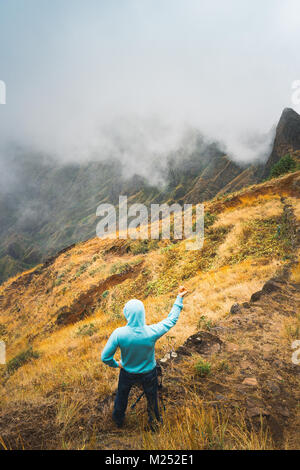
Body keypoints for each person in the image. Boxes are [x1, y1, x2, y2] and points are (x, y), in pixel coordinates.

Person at [101, 286, 188, 430]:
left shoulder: (119, 334)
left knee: (122, 396)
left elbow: (105, 357)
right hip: (149, 373)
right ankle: (154, 424)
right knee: (152, 398)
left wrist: (117, 364)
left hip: (127, 372)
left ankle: (118, 421)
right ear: (142, 314)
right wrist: (179, 298)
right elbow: (171, 320)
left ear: (126, 314)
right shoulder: (151, 332)